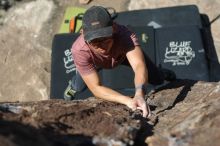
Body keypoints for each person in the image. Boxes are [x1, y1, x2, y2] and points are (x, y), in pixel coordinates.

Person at [64, 6, 175, 118]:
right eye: (95, 41)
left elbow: (138, 66)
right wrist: (128, 101)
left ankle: (162, 73)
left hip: (122, 56)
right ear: (83, 34)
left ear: (114, 28)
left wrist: (139, 94)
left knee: (158, 78)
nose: (102, 47)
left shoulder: (125, 34)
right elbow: (96, 87)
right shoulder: (79, 50)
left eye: (105, 39)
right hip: (95, 61)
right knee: (79, 86)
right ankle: (72, 86)